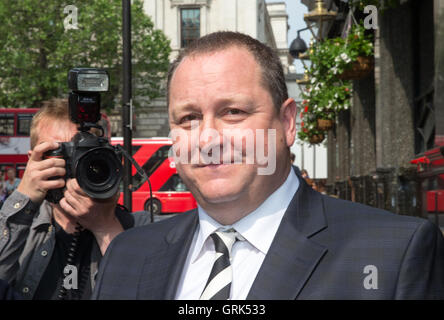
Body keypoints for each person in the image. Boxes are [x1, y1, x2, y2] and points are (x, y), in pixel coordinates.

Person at [92, 31, 444, 300]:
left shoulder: (392, 253)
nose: (207, 139)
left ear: (288, 122)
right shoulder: (128, 254)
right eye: (188, 118)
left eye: (233, 112)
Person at [0, 98, 150, 300]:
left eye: (81, 153)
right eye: (59, 153)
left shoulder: (140, 228)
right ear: (33, 160)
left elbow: (149, 291)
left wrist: (106, 228)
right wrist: (23, 196)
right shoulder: (19, 231)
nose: (71, 167)